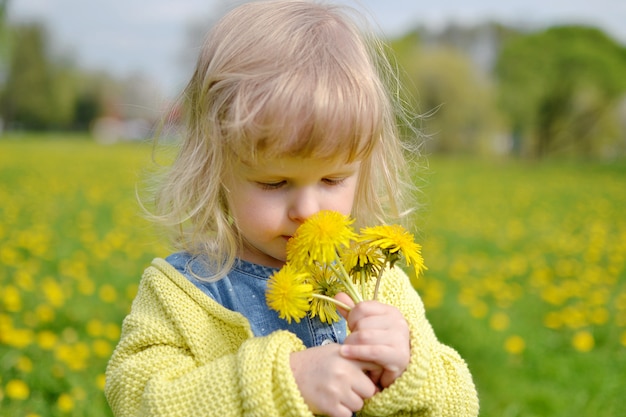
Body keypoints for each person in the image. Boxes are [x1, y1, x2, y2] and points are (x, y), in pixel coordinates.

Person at [105, 1, 479, 416]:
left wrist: (408, 365)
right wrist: (286, 381)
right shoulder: (184, 293)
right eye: (274, 182)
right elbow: (139, 399)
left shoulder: (374, 282)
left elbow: (460, 405)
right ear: (216, 169)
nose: (307, 209)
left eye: (333, 180)